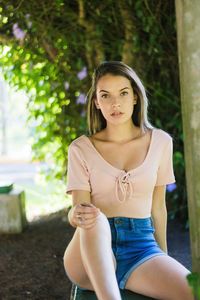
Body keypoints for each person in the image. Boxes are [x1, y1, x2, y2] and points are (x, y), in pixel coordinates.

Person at [63, 61, 193, 300]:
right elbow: (78, 213)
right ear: (96, 102)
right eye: (106, 96)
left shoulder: (161, 142)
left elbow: (158, 208)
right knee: (95, 219)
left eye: (123, 93)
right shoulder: (81, 149)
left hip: (141, 248)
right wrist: (78, 216)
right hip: (88, 252)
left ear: (135, 96)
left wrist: (163, 257)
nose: (115, 103)